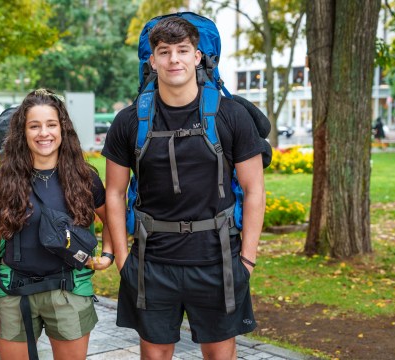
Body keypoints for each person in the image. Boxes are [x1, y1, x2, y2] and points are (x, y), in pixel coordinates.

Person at [102, 17, 265, 359]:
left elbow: (254, 189)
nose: (173, 59)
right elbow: (114, 194)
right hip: (152, 262)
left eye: (182, 50)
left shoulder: (231, 115)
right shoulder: (129, 121)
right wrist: (122, 261)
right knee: (155, 355)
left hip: (217, 260)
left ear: (197, 56)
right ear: (152, 60)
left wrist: (246, 260)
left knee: (220, 355)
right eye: (164, 52)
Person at [0, 89, 113, 360]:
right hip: (12, 293)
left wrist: (108, 254)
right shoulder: (2, 181)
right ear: (23, 132)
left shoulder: (84, 177)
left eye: (51, 125)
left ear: (62, 129)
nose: (44, 133)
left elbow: (112, 218)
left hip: (69, 292)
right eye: (34, 126)